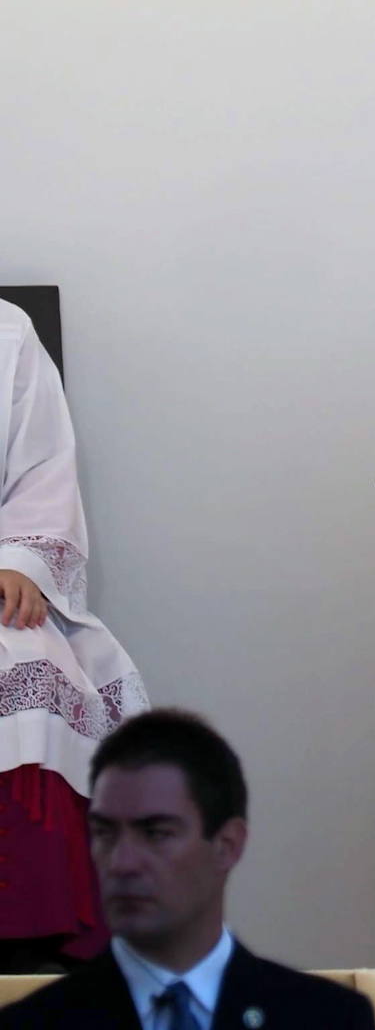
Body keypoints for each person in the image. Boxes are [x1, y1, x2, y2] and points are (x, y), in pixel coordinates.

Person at [0, 709, 375, 1029]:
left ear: (227, 845)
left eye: (157, 833)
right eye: (104, 832)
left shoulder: (327, 1019)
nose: (123, 862)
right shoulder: (32, 1024)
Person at [0, 299, 148, 971]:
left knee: (30, 660)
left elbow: (41, 468)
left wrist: (22, 559)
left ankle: (30, 934)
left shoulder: (5, 330)